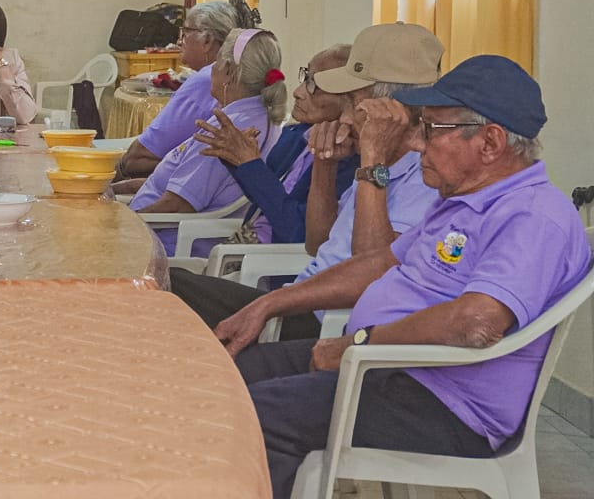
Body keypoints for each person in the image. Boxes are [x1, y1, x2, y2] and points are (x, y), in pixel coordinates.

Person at [235, 56, 591, 499]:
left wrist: (358, 344)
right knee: (227, 373)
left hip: (444, 402)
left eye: (432, 129)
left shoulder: (533, 216)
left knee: (247, 418)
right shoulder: (460, 200)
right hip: (387, 368)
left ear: (490, 142)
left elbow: (477, 322)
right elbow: (379, 263)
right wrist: (268, 304)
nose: (419, 143)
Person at [178, 23, 445, 337]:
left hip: (325, 319)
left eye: (353, 102)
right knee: (169, 285)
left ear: (391, 109)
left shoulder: (420, 175)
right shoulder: (329, 144)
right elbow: (317, 242)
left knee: (174, 294)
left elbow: (373, 268)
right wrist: (324, 162)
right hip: (300, 296)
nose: (345, 117)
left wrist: (372, 160)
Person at [121, 28, 286, 257]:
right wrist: (118, 190)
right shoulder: (255, 115)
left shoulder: (228, 131)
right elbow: (175, 182)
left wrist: (121, 226)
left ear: (228, 72)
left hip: (159, 245)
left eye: (216, 63)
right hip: (155, 229)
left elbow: (176, 205)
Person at [193, 43, 357, 246]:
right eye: (306, 78)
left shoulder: (350, 160)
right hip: (248, 239)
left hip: (276, 258)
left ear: (352, 99)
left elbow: (297, 232)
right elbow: (263, 198)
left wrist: (251, 165)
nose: (298, 92)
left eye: (314, 85)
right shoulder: (297, 135)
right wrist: (236, 158)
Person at [116, 0, 259, 179]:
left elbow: (136, 159)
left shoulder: (205, 81)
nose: (178, 42)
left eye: (185, 33)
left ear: (207, 41)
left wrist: (117, 169)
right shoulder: (240, 75)